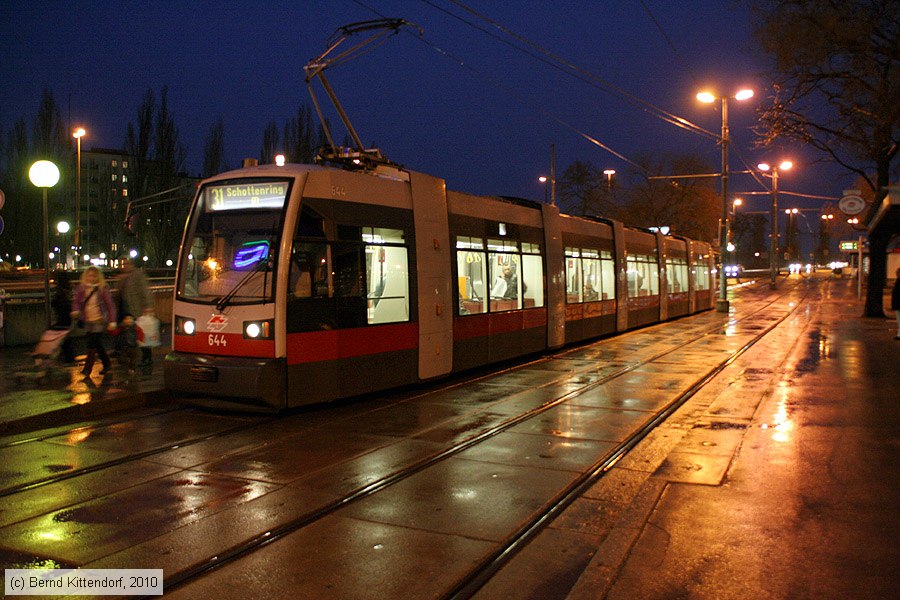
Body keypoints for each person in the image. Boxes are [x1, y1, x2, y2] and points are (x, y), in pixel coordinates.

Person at [71, 266, 116, 376]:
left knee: (92, 343)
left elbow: (110, 305)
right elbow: (76, 302)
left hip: (99, 320)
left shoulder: (102, 289)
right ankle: (107, 363)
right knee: (97, 344)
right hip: (88, 320)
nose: (91, 278)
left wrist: (112, 321)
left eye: (94, 276)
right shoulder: (81, 289)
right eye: (89, 275)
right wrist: (75, 310)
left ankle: (87, 369)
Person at [118, 258, 155, 366]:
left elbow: (145, 291)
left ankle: (147, 357)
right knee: (129, 334)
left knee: (140, 334)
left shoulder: (137, 275)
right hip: (126, 310)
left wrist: (148, 306)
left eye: (126, 264)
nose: (124, 266)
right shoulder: (124, 277)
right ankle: (131, 356)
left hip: (136, 310)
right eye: (122, 264)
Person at [50, 270, 76, 363]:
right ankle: (69, 358)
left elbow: (56, 302)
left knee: (62, 338)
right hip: (68, 316)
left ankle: (67, 358)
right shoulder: (70, 288)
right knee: (66, 338)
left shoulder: (59, 290)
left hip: (61, 316)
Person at [892, 267, 900, 340]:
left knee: (899, 319)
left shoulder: (898, 281)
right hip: (897, 303)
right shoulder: (897, 281)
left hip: (898, 304)